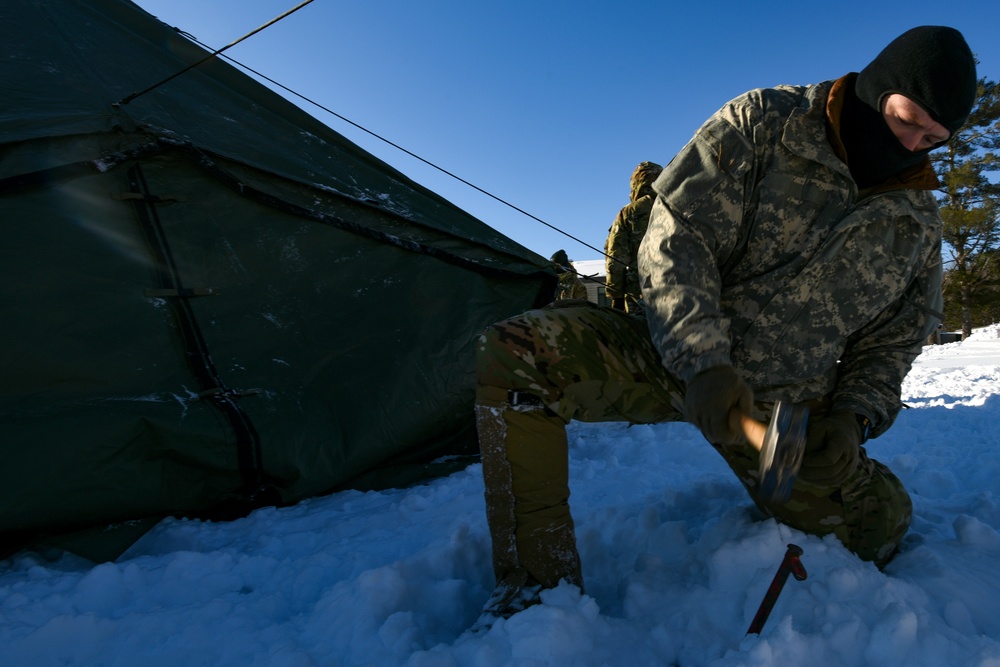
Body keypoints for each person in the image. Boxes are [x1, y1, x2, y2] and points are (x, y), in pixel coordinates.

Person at [473, 25, 977, 621]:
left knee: (876, 529)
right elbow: (676, 240)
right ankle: (535, 591)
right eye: (905, 118)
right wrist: (702, 359)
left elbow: (892, 341)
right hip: (673, 357)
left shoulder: (915, 223)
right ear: (877, 88)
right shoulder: (764, 124)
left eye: (933, 139)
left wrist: (853, 417)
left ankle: (808, 482)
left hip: (786, 411)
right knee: (517, 354)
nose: (913, 144)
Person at [604, 161, 663, 313]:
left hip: (640, 291)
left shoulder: (629, 213)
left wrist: (615, 296)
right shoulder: (681, 206)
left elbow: (616, 258)